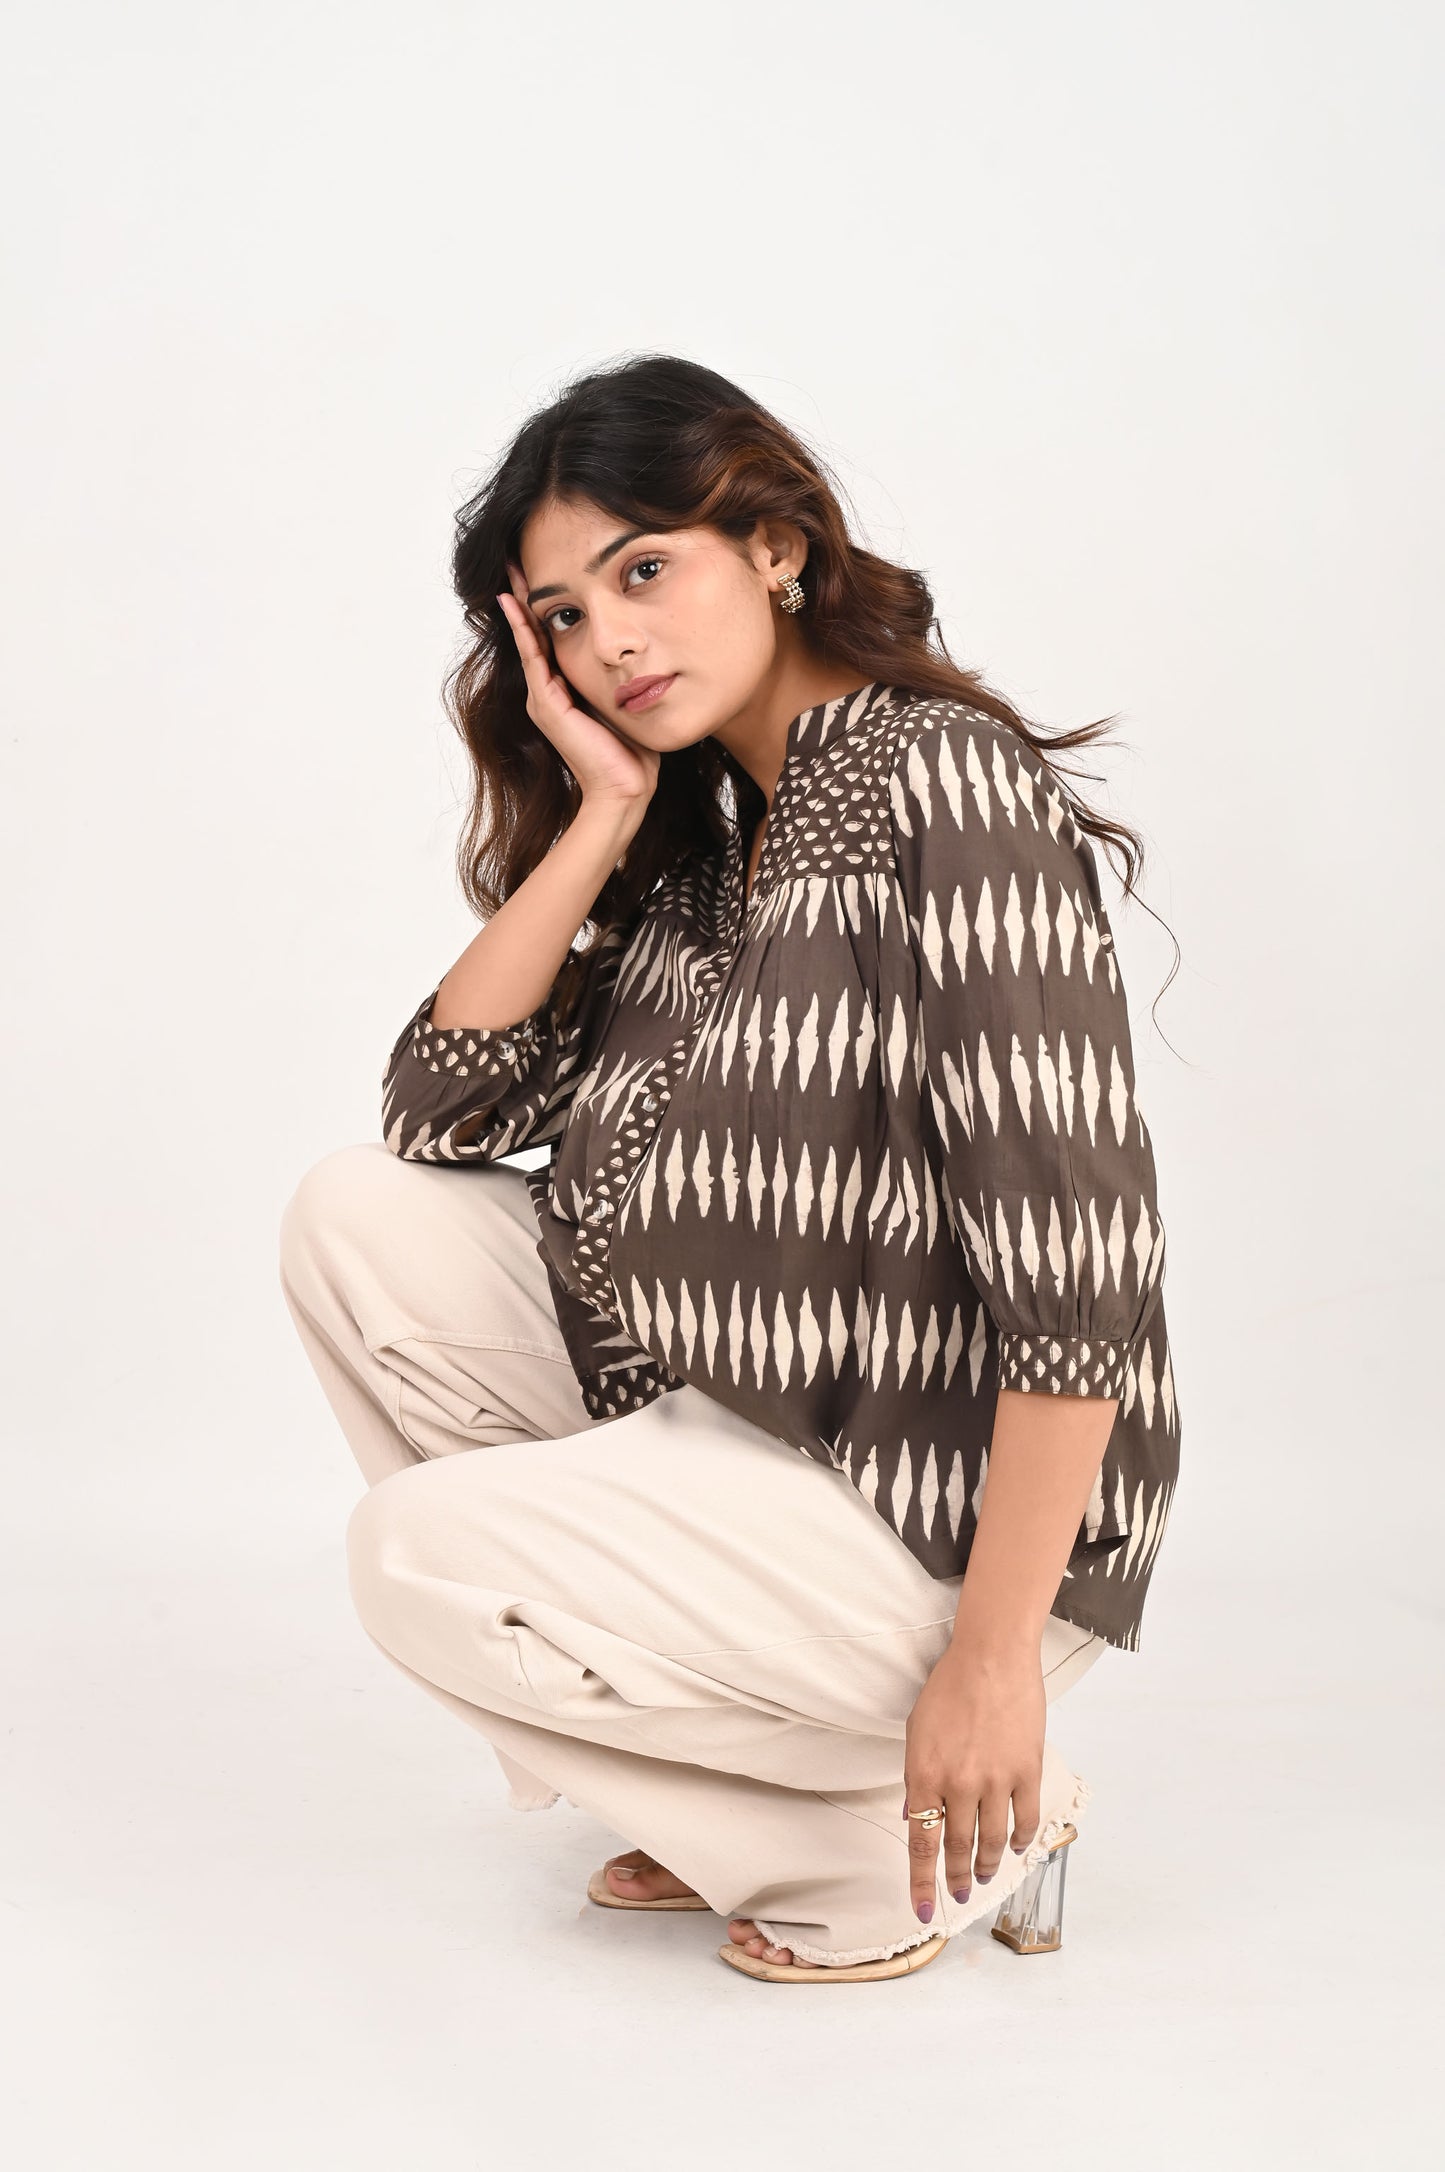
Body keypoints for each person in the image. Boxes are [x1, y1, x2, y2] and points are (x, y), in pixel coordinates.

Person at [279, 352, 1182, 1984]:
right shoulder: (703, 845)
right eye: (557, 615)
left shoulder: (938, 788)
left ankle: (883, 1857)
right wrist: (602, 816)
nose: (607, 639)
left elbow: (1080, 1275)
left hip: (942, 1522)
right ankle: (742, 1798)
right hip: (741, 1449)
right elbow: (438, 1109)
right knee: (357, 1216)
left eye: (643, 569)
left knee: (412, 1551)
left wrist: (992, 1661)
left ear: (773, 546)